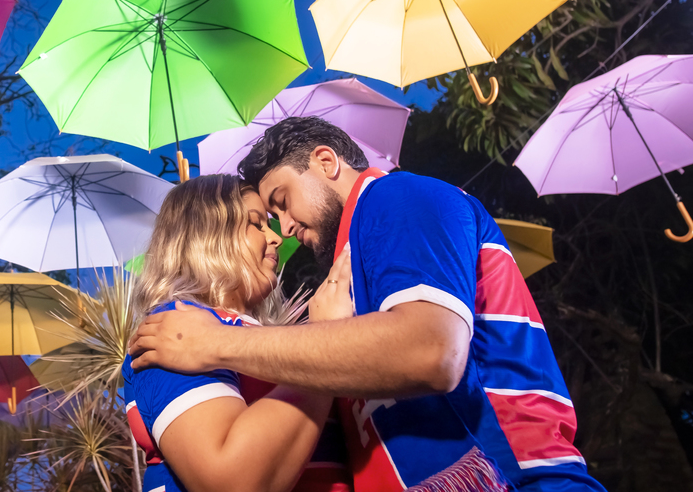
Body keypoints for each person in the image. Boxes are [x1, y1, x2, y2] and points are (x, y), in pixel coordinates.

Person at [129, 117, 607, 492]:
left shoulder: (394, 196)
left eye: (282, 201)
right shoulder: (184, 324)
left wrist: (220, 344)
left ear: (325, 162)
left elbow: (429, 350)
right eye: (264, 218)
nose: (283, 231)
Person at [122, 174, 354, 492]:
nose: (274, 238)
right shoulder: (173, 328)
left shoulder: (252, 334)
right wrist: (326, 347)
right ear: (206, 236)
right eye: (256, 224)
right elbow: (233, 480)